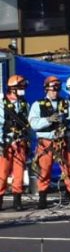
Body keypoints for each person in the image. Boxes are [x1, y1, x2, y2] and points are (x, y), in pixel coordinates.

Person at [29, 76, 70, 209]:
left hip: (62, 142)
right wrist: (48, 120)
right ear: (47, 89)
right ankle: (42, 198)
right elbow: (33, 123)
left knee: (69, 169)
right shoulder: (37, 105)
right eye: (53, 88)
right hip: (46, 143)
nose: (55, 91)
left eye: (57, 88)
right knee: (44, 170)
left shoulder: (66, 103)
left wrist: (67, 121)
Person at [0, 75, 30, 211]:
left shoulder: (24, 104)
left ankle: (17, 200)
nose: (23, 90)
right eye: (21, 87)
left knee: (19, 172)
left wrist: (28, 139)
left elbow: (28, 123)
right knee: (3, 172)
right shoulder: (2, 104)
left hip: (20, 142)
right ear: (13, 89)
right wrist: (1, 141)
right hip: (6, 143)